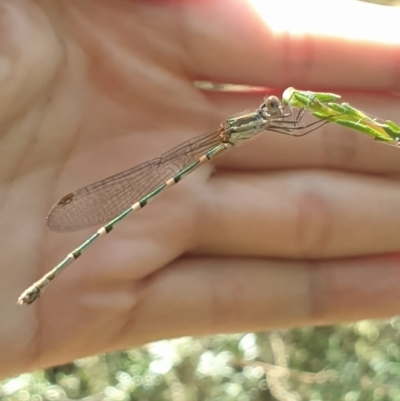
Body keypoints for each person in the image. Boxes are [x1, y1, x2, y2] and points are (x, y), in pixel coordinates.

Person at [2, 0, 400, 378]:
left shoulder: (260, 121)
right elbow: (298, 125)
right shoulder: (253, 124)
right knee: (119, 215)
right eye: (271, 108)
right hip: (167, 168)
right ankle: (44, 283)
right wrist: (328, 117)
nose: (275, 110)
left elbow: (294, 125)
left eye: (275, 108)